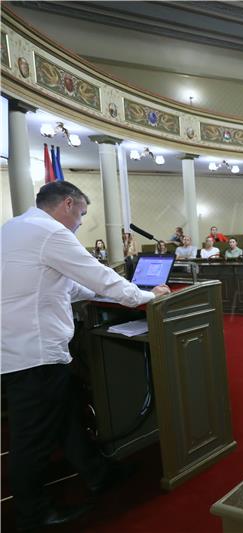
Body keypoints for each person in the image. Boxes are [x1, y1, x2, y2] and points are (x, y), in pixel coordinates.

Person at [1, 181, 170, 531]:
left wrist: (118, 292)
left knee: (67, 420)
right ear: (67, 204)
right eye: (81, 213)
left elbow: (68, 284)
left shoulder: (15, 227)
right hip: (34, 353)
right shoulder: (50, 233)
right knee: (31, 440)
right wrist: (148, 297)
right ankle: (33, 516)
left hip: (20, 349)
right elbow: (100, 276)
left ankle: (100, 475)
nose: (80, 221)